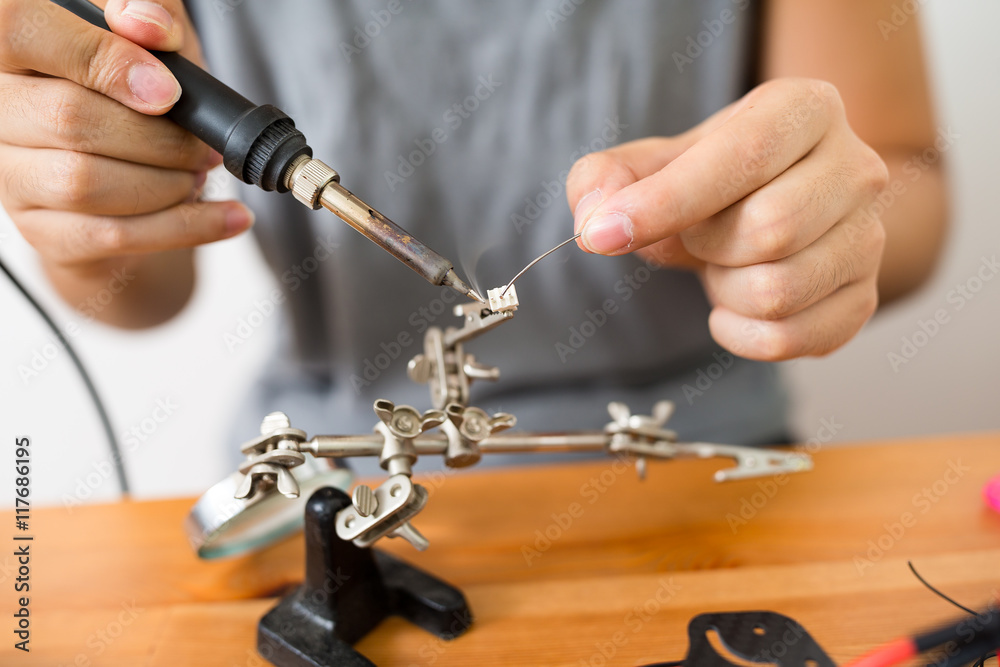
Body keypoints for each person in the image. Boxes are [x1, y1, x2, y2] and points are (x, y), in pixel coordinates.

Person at [0, 0, 946, 471]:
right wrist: (92, 202)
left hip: (698, 466)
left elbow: (905, 182)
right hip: (330, 478)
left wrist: (805, 229)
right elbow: (135, 296)